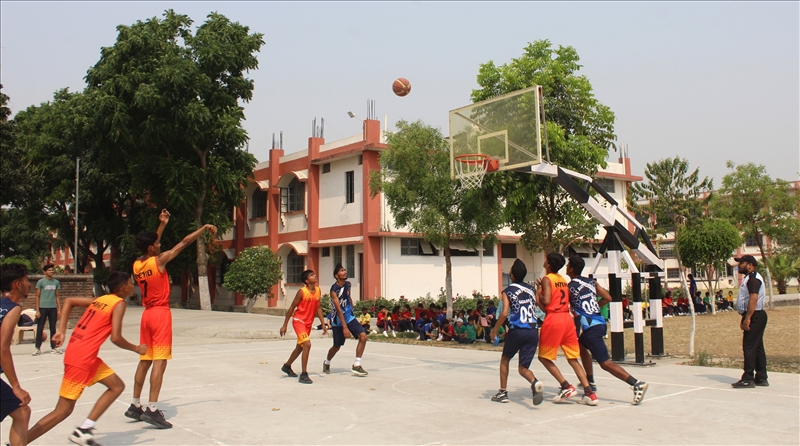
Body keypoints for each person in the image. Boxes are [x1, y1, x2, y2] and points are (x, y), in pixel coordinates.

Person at [28, 272, 147, 446]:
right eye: (131, 283)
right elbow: (116, 338)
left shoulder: (101, 299)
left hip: (85, 355)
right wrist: (136, 348)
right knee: (62, 410)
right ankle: (18, 443)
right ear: (123, 288)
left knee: (117, 386)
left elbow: (69, 301)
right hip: (81, 359)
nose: (132, 286)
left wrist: (62, 330)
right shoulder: (119, 304)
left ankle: (85, 429)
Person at [126, 209, 217, 429]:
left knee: (145, 360)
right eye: (157, 244)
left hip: (146, 315)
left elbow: (151, 244)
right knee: (160, 361)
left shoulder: (137, 264)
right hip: (160, 314)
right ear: (151, 248)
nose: (160, 245)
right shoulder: (159, 261)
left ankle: (135, 405)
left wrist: (162, 224)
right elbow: (184, 242)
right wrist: (203, 228)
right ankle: (152, 409)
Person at [567, 256, 650, 405]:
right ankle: (590, 380)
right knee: (581, 345)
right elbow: (607, 297)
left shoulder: (570, 287)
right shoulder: (591, 282)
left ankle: (636, 383)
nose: (566, 267)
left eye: (568, 265)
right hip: (600, 323)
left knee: (605, 363)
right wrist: (595, 308)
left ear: (571, 269)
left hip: (591, 328)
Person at [536, 253, 596, 404]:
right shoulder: (563, 280)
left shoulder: (547, 279)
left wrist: (538, 293)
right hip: (567, 319)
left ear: (549, 264)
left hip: (554, 319)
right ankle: (589, 393)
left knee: (543, 357)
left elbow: (547, 302)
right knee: (573, 358)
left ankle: (566, 386)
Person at [489, 259, 544, 405]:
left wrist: (494, 330)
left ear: (512, 275)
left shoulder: (508, 291)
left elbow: (504, 313)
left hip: (518, 330)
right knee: (523, 367)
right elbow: (542, 307)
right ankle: (535, 382)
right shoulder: (532, 289)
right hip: (533, 331)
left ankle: (503, 392)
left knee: (505, 359)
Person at [1, 264, 32, 446]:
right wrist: (16, 386)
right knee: (22, 412)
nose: (29, 284)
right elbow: (3, 348)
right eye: (27, 280)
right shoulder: (13, 309)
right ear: (17, 284)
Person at [280, 270, 328, 384]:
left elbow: (318, 307)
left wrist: (323, 323)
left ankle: (287, 366)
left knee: (300, 347)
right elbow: (292, 307)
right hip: (299, 321)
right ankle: (304, 374)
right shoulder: (302, 292)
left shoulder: (318, 290)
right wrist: (284, 325)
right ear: (306, 280)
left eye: (314, 274)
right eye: (311, 275)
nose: (315, 276)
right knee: (307, 344)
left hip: (308, 323)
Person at [324, 264, 369, 376]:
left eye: (345, 270)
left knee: (363, 336)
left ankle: (357, 365)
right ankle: (327, 362)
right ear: (336, 275)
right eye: (341, 270)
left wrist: (352, 309)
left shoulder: (348, 284)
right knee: (337, 346)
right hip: (338, 320)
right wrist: (345, 327)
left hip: (349, 317)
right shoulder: (334, 290)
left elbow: (348, 297)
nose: (345, 272)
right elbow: (338, 309)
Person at [732, 255, 768, 388]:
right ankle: (761, 377)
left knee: (749, 347)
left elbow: (753, 298)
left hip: (755, 316)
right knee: (757, 347)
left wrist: (747, 318)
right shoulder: (750, 278)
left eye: (741, 263)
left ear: (750, 265)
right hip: (755, 315)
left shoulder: (753, 279)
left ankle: (748, 378)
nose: (739, 266)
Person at [33, 264, 62, 356]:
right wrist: (37, 310)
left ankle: (53, 347)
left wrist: (59, 309)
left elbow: (57, 296)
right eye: (49, 270)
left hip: (53, 307)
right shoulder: (41, 282)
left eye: (52, 270)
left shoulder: (56, 282)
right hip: (42, 307)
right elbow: (37, 296)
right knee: (40, 328)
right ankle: (37, 348)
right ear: (44, 272)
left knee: (53, 328)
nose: (51, 272)